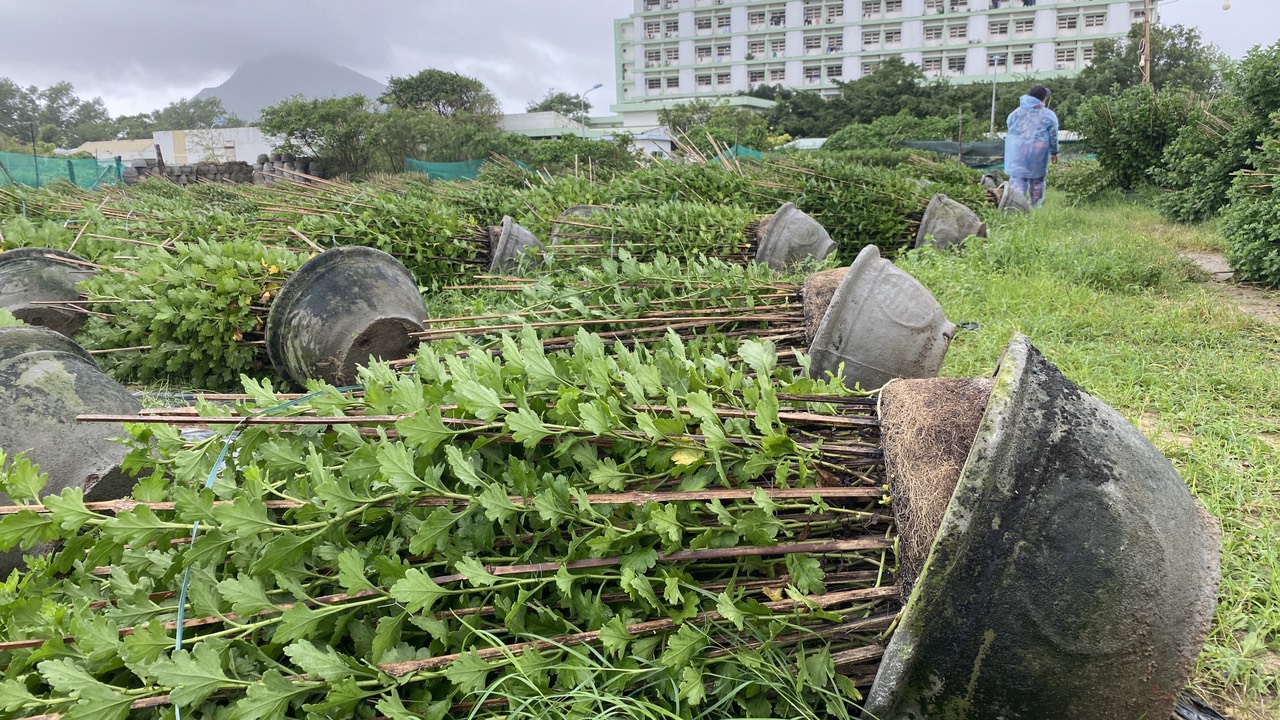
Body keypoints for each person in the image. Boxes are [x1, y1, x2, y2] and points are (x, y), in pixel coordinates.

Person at [1004, 85, 1059, 207]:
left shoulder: (1016, 113)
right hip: (1038, 153)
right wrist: (1054, 152)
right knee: (1037, 180)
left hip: (1018, 152)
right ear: (1043, 99)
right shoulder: (1048, 115)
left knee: (1018, 178)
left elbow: (1010, 126)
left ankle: (1017, 206)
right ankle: (1034, 207)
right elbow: (1053, 135)